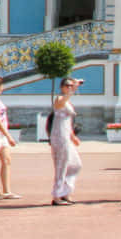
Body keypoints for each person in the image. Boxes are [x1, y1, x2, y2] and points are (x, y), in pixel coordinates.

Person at [50, 77, 83, 205]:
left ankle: (65, 191)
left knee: (75, 164)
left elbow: (67, 121)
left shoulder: (68, 102)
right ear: (62, 87)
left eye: (71, 85)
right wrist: (73, 88)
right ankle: (57, 196)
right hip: (59, 136)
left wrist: (73, 136)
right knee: (61, 166)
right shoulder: (59, 99)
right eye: (67, 85)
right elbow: (61, 103)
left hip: (66, 135)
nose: (70, 88)